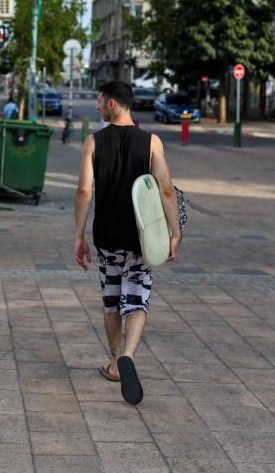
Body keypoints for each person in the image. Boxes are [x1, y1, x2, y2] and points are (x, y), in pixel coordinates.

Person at [73, 80, 181, 405]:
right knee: (136, 299)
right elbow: (166, 189)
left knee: (111, 301)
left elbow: (84, 191)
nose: (96, 106)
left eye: (99, 100)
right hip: (141, 238)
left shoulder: (93, 142)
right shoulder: (151, 142)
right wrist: (175, 232)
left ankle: (114, 362)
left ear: (112, 103)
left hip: (107, 237)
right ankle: (129, 355)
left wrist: (78, 235)